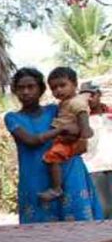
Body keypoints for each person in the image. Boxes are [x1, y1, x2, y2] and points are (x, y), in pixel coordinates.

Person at [5, 67, 101, 242]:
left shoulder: (56, 109)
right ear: (15, 91)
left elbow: (81, 122)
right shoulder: (12, 118)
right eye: (21, 87)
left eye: (31, 87)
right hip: (34, 184)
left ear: (41, 89)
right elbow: (32, 140)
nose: (26, 92)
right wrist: (61, 130)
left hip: (70, 177)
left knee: (75, 237)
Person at [38, 67, 94, 202]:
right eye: (54, 88)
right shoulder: (65, 103)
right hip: (66, 137)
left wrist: (83, 135)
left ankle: (56, 188)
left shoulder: (76, 102)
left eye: (62, 85)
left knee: (52, 158)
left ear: (74, 84)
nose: (58, 90)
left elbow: (83, 116)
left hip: (70, 140)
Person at [80, 80, 112, 218]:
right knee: (104, 208)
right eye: (86, 97)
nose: (90, 99)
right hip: (94, 168)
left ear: (99, 94)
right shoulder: (82, 119)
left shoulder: (110, 114)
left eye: (92, 95)